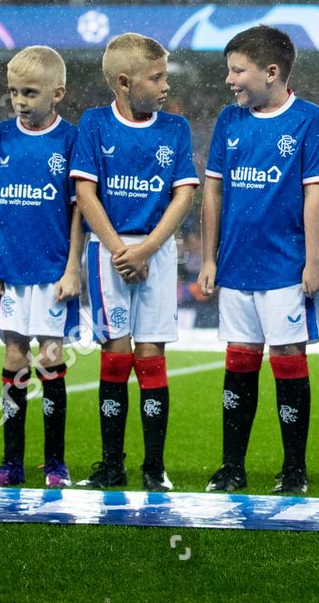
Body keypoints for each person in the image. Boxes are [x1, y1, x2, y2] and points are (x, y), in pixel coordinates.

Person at [199, 26, 319, 495]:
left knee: (289, 361)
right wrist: (209, 257)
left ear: (272, 73)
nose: (230, 80)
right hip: (235, 265)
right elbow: (213, 192)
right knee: (239, 363)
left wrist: (314, 261)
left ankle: (293, 468)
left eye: (238, 71)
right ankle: (231, 466)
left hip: (284, 266)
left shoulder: (309, 119)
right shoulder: (228, 120)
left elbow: (316, 195)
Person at [70, 34, 199, 492]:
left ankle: (153, 466)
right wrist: (118, 249)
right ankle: (111, 463)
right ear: (124, 82)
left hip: (157, 250)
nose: (165, 85)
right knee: (115, 354)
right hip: (107, 251)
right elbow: (85, 192)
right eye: (156, 77)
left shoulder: (175, 128)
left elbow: (184, 193)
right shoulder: (94, 123)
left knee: (151, 355)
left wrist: (145, 250)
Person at [0, 47, 84, 488]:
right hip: (12, 270)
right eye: (14, 92)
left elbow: (79, 208)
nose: (20, 101)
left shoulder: (71, 138)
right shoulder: (3, 136)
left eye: (30, 92)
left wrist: (73, 266)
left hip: (54, 269)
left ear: (57, 93)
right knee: (14, 356)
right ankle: (11, 464)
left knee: (52, 357)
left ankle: (55, 464)